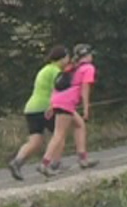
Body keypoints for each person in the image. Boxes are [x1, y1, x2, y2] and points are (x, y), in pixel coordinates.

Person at [8, 45, 70, 180]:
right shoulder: (55, 71)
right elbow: (58, 89)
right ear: (62, 58)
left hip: (31, 108)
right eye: (67, 57)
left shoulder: (44, 69)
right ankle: (55, 164)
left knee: (35, 141)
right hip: (45, 106)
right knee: (59, 134)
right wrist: (54, 106)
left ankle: (17, 161)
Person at [39, 44, 99, 175]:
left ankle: (83, 158)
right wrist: (86, 108)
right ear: (87, 56)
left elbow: (59, 85)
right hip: (67, 103)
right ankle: (45, 163)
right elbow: (85, 88)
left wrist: (52, 104)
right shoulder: (88, 68)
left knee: (79, 125)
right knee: (59, 134)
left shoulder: (72, 67)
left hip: (59, 100)